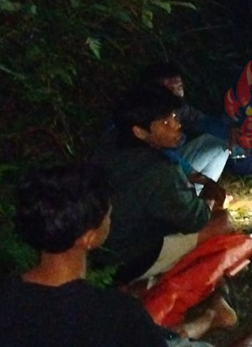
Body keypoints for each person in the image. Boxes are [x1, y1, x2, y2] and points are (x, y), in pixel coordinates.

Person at [0, 164, 252, 347]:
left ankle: (212, 316)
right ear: (88, 237)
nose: (112, 217)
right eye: (108, 214)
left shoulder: (5, 298)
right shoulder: (112, 313)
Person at [92, 84, 235, 287]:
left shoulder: (110, 143)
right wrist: (211, 195)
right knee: (222, 222)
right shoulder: (160, 171)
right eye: (166, 122)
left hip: (97, 246)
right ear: (140, 132)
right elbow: (198, 219)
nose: (176, 125)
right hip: (127, 259)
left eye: (174, 117)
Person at [140, 62, 237, 193]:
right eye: (169, 89)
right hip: (152, 173)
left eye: (179, 88)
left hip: (174, 160)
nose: (177, 94)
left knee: (220, 143)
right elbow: (161, 154)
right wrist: (191, 172)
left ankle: (202, 195)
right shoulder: (144, 115)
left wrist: (230, 131)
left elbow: (201, 120)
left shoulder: (179, 108)